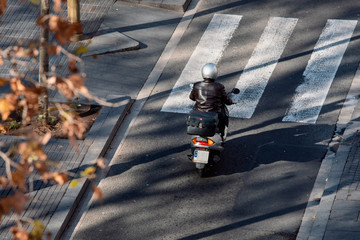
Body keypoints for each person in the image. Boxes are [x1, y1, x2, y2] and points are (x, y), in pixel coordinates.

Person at [189, 63, 234, 139]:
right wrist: (231, 101)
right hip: (214, 114)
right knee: (223, 118)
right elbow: (225, 99)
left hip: (199, 114)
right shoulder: (219, 87)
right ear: (215, 74)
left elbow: (192, 97)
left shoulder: (196, 85)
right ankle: (222, 135)